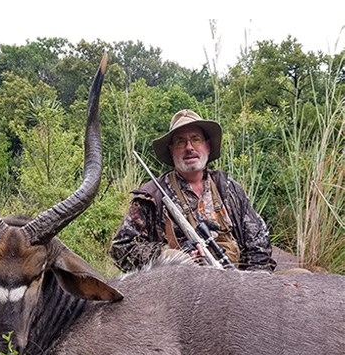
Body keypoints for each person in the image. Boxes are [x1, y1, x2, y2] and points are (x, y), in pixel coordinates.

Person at [110, 109, 276, 273]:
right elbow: (121, 249)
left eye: (195, 139)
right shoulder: (151, 196)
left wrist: (250, 283)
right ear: (171, 150)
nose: (189, 147)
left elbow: (258, 245)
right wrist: (170, 254)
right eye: (180, 142)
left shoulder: (229, 188)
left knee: (300, 275)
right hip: (178, 290)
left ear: (208, 146)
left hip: (234, 285)